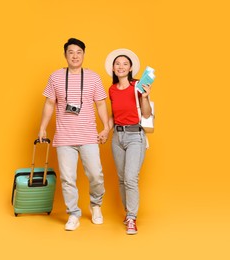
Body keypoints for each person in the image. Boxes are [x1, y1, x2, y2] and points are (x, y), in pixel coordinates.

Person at [38, 38, 110, 231]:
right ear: (65, 55)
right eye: (71, 52)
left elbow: (101, 103)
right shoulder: (55, 77)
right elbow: (49, 103)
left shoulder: (94, 77)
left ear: (84, 54)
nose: (75, 56)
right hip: (64, 137)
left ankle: (96, 205)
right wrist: (42, 127)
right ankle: (73, 214)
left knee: (96, 174)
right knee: (68, 178)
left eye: (78, 52)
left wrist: (106, 127)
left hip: (88, 136)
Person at [104, 49, 152, 235]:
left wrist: (145, 97)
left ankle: (131, 218)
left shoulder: (138, 85)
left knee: (131, 178)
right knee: (122, 179)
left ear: (130, 67)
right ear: (113, 69)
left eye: (125, 64)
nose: (121, 66)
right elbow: (114, 114)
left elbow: (146, 114)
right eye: (118, 64)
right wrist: (106, 131)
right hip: (117, 136)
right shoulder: (112, 89)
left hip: (135, 136)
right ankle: (128, 213)